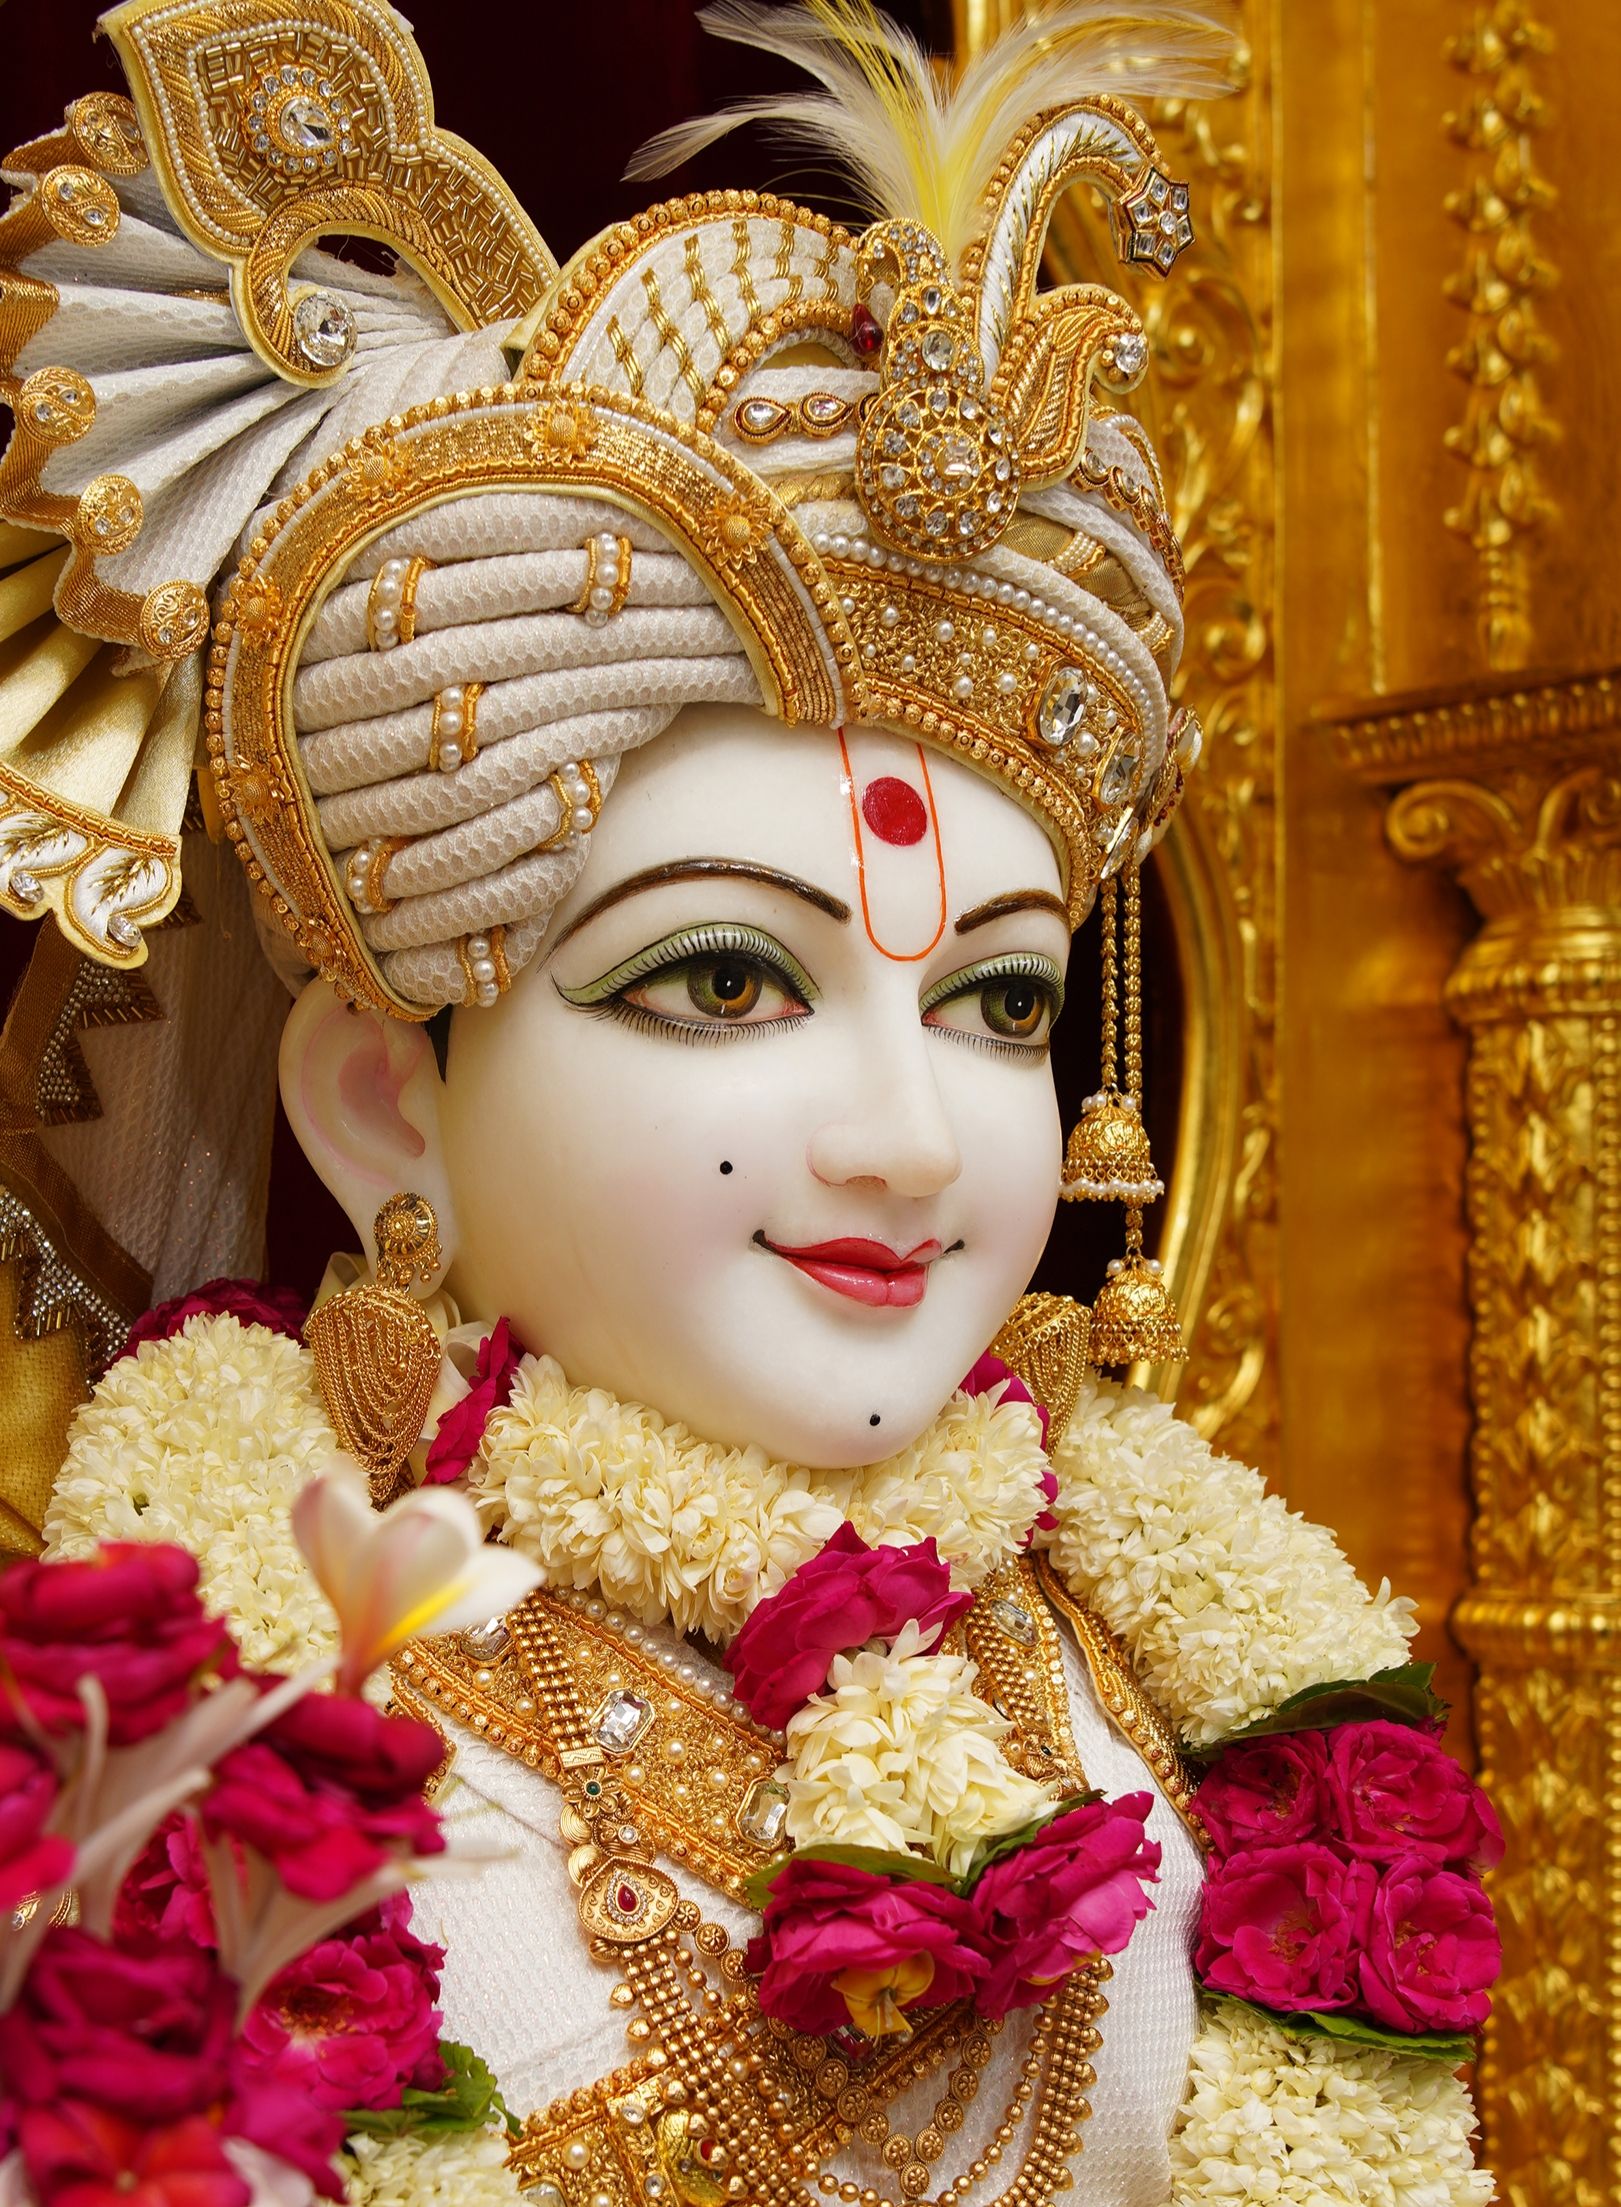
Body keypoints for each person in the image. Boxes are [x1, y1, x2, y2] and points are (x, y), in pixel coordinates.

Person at [4, 3, 1496, 2200]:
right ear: (380, 1113)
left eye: (996, 1003)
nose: (908, 1133)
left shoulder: (1162, 1666)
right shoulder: (213, 1742)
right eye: (723, 974)